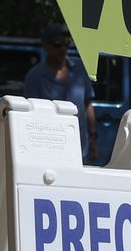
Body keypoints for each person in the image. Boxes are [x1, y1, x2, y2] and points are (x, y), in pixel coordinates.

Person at [22, 25, 98, 163]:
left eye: (66, 43)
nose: (63, 49)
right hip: (50, 150)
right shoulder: (34, 77)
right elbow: (31, 117)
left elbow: (88, 105)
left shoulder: (80, 70)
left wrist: (93, 138)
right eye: (57, 44)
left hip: (80, 148)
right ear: (45, 46)